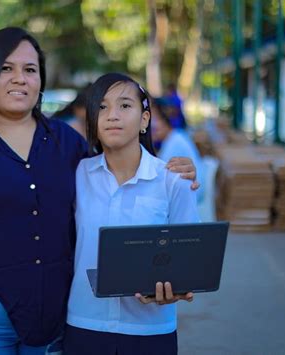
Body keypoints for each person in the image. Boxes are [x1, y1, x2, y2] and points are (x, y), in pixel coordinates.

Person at [0, 27, 197, 354]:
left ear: (40, 81)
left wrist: (170, 172)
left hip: (50, 311)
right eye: (6, 68)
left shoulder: (66, 142)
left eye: (30, 70)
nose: (20, 78)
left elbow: (115, 183)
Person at [63, 73, 200, 355]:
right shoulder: (76, 176)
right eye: (101, 107)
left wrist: (176, 287)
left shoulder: (173, 180)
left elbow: (189, 258)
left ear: (145, 119)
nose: (112, 115)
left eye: (125, 105)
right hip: (84, 324)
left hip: (150, 330)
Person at [151, 102, 204, 202]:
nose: (151, 125)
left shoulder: (174, 142)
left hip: (192, 195)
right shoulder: (175, 136)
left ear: (164, 121)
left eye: (155, 119)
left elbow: (160, 178)